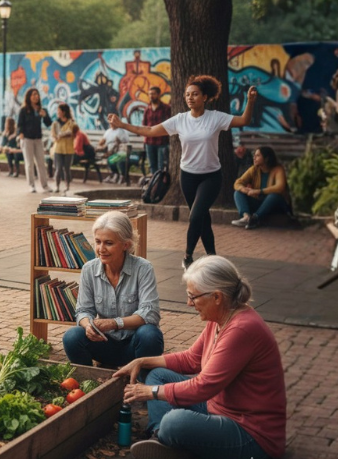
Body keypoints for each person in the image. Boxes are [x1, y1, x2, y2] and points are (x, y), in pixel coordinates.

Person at [115, 255, 285, 459]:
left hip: (251, 434)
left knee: (174, 421)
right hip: (218, 407)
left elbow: (202, 387)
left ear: (217, 297)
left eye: (193, 296)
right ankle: (162, 440)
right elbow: (192, 359)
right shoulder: (221, 317)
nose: (188, 303)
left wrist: (150, 392)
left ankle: (168, 437)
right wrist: (141, 361)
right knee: (157, 374)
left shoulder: (242, 329)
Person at [109, 75, 258, 270]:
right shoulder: (180, 120)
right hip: (187, 176)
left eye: (195, 94)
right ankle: (213, 257)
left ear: (205, 97)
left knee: (196, 216)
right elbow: (150, 130)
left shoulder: (215, 118)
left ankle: (187, 256)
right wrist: (123, 125)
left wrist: (250, 101)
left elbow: (244, 119)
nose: (190, 98)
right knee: (203, 218)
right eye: (187, 94)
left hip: (211, 176)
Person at [62, 211, 163, 367]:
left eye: (108, 243)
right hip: (104, 343)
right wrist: (88, 326)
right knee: (72, 337)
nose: (101, 249)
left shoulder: (143, 268)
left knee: (150, 334)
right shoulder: (89, 269)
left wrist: (114, 323)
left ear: (126, 245)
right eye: (98, 242)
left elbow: (150, 313)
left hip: (135, 346)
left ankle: (143, 381)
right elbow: (83, 310)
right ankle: (91, 381)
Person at [232, 146, 291, 229]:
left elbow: (279, 187)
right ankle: (246, 217)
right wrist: (244, 189)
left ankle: (255, 218)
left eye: (258, 155)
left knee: (273, 196)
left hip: (277, 205)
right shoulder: (254, 169)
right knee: (238, 192)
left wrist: (258, 191)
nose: (254, 157)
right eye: (254, 155)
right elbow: (238, 183)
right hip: (260, 203)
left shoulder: (278, 169)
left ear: (266, 158)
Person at [17, 87, 53, 193]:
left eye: (37, 94)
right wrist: (21, 135)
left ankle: (45, 185)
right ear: (29, 97)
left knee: (41, 163)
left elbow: (49, 123)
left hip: (38, 139)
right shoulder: (24, 110)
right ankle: (31, 185)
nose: (36, 96)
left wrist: (45, 116)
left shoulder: (41, 109)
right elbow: (19, 125)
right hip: (27, 139)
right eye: (33, 94)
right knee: (29, 163)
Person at [143, 86, 171, 174]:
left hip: (162, 142)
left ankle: (160, 185)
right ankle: (154, 185)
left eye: (153, 94)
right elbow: (144, 124)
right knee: (152, 165)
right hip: (149, 142)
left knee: (161, 166)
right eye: (150, 94)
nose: (151, 96)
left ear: (159, 94)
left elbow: (169, 124)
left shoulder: (166, 108)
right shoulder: (147, 109)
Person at [50, 103, 76, 193]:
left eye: (59, 111)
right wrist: (56, 137)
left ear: (64, 112)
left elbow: (71, 133)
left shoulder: (71, 122)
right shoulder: (55, 123)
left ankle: (67, 185)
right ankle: (56, 186)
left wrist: (61, 135)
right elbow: (53, 135)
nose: (58, 112)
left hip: (69, 149)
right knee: (58, 168)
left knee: (67, 169)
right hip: (58, 148)